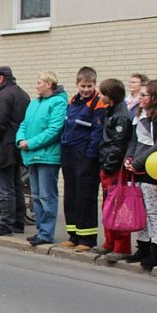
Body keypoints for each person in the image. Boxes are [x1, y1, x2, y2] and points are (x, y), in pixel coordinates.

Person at [15, 71, 67, 246]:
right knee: (35, 195)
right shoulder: (34, 103)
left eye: (39, 82)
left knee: (47, 195)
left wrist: (30, 143)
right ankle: (40, 230)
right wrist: (20, 139)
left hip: (47, 156)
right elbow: (24, 123)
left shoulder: (58, 103)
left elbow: (54, 130)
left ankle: (46, 232)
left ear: (49, 84)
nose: (37, 85)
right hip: (31, 154)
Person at [58, 66, 105, 251]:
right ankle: (74, 234)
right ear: (77, 85)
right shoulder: (74, 101)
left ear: (95, 84)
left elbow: (97, 132)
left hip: (85, 156)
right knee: (71, 195)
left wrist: (89, 156)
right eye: (83, 86)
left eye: (89, 86)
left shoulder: (97, 104)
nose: (86, 89)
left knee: (85, 197)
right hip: (69, 153)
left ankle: (87, 238)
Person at [0, 66, 30, 237]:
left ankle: (5, 224)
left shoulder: (3, 95)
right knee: (16, 184)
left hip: (5, 145)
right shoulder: (22, 94)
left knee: (5, 186)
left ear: (0, 78)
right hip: (17, 144)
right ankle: (18, 221)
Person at [124, 80, 157, 269]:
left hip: (152, 168)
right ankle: (143, 245)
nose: (140, 98)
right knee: (141, 209)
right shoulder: (139, 114)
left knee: (152, 209)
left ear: (155, 97)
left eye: (144, 95)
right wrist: (129, 158)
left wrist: (139, 162)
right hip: (137, 167)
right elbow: (134, 140)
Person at [96, 78, 134, 261]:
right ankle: (109, 242)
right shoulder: (111, 112)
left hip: (114, 168)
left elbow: (118, 145)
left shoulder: (121, 116)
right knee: (108, 206)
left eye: (102, 93)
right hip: (107, 165)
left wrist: (109, 165)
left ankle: (122, 246)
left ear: (110, 96)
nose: (100, 95)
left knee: (118, 206)